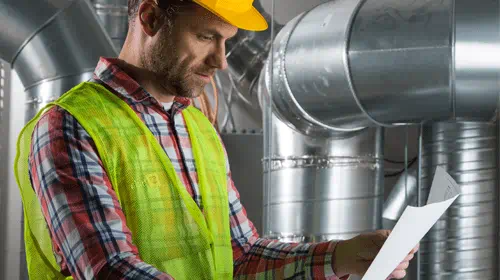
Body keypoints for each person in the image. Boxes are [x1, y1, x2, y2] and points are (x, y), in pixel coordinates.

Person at [16, 0, 418, 279]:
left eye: (227, 41)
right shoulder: (72, 125)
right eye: (207, 37)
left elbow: (241, 256)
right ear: (151, 18)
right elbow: (110, 269)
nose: (222, 61)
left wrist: (342, 256)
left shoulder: (200, 131)